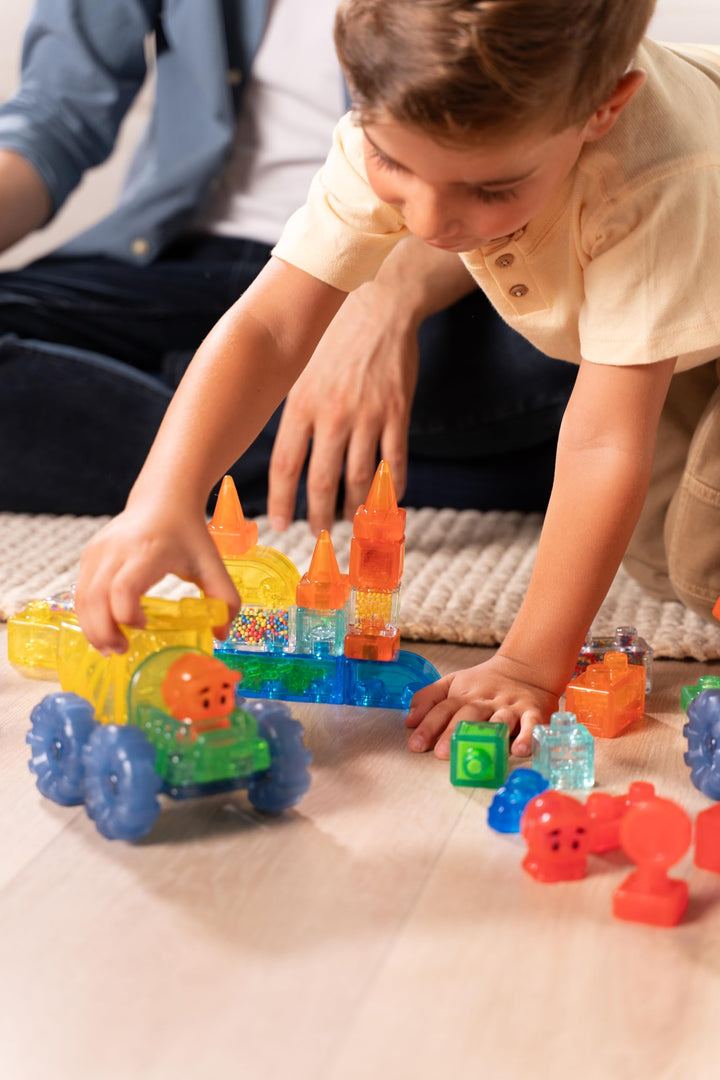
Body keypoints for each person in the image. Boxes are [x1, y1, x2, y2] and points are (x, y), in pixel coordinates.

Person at [75, 0, 720, 764]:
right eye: (395, 168)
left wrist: (528, 666)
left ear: (601, 111)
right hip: (688, 330)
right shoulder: (396, 119)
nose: (430, 222)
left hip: (692, 265)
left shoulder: (657, 174)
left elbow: (604, 441)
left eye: (491, 189)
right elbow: (270, 326)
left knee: (698, 558)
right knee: (652, 548)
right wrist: (163, 494)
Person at [0, 0, 574, 523]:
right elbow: (55, 114)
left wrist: (382, 303)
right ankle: (377, 473)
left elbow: (547, 159)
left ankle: (191, 406)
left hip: (399, 269)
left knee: (575, 350)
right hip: (177, 261)